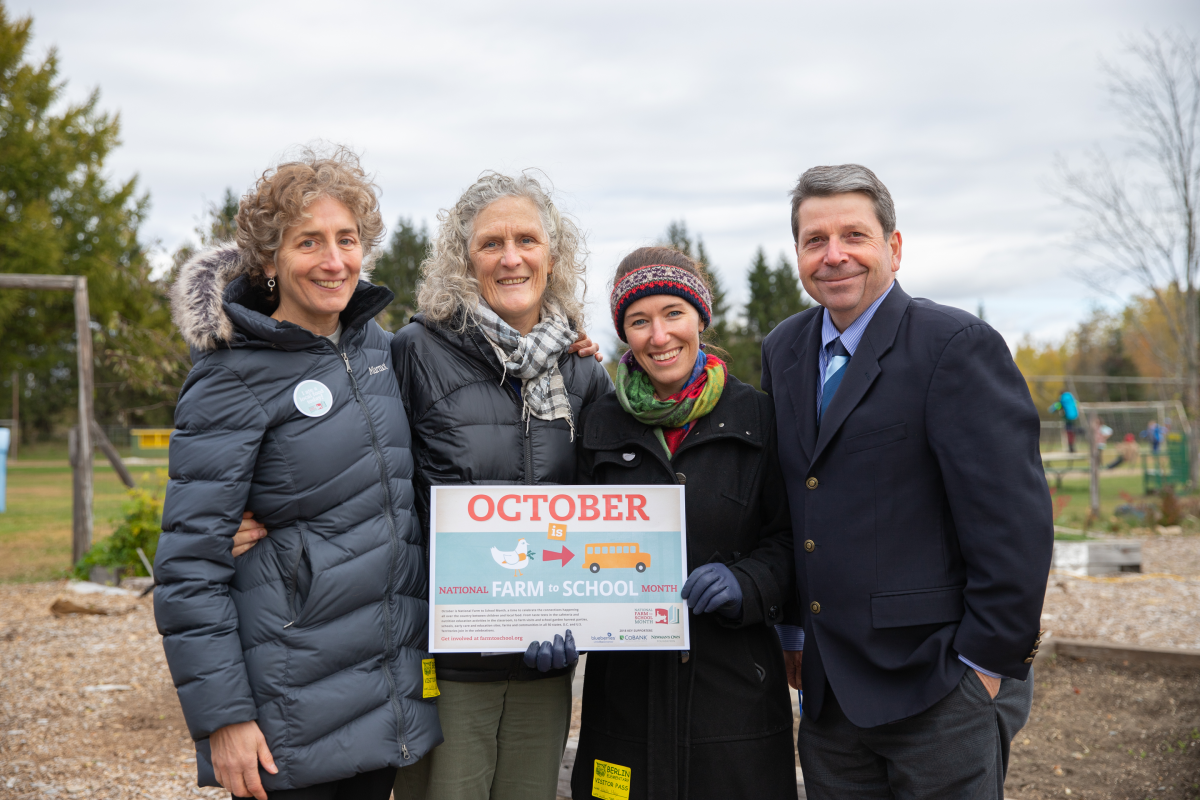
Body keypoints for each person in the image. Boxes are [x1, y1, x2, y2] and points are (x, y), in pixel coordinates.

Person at [154, 148, 440, 800]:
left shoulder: (379, 350)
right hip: (288, 712)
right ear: (268, 260)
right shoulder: (230, 376)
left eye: (347, 239)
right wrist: (225, 720)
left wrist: (572, 348)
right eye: (309, 242)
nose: (334, 261)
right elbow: (189, 568)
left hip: (382, 701)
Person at [762, 164, 1054, 799]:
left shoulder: (955, 345)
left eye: (854, 236)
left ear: (893, 247)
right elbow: (792, 498)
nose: (834, 255)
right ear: (799, 255)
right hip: (829, 696)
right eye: (815, 240)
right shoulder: (783, 350)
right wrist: (791, 631)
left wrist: (984, 667)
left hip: (935, 686)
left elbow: (1013, 522)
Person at [389, 171, 613, 800]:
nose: (511, 257)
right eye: (491, 244)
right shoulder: (415, 351)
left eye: (527, 240)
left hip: (546, 657)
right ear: (463, 260)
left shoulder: (582, 370)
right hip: (446, 661)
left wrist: (593, 615)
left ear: (553, 254)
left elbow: (611, 503)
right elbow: (367, 471)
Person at [554, 247, 797, 799]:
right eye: (639, 321)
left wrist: (749, 583)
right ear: (624, 334)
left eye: (673, 314)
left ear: (700, 319)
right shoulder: (599, 424)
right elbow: (565, 542)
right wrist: (552, 619)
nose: (659, 335)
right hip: (626, 705)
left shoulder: (757, 417)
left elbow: (791, 540)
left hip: (735, 701)